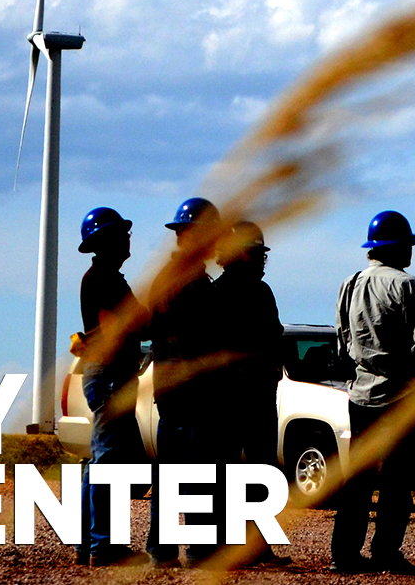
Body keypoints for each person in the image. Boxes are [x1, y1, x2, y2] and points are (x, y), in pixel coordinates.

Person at [330, 210, 415, 575]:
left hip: (360, 397)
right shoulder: (408, 286)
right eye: (409, 243)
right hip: (400, 397)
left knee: (356, 479)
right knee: (396, 482)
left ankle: (343, 553)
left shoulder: (351, 283)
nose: (412, 250)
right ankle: (386, 551)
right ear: (397, 246)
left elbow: (342, 343)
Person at [149, 197, 232, 568]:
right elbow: (203, 341)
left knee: (168, 475)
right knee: (199, 473)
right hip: (194, 391)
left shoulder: (162, 279)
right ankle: (199, 550)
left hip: (168, 390)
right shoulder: (194, 285)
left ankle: (162, 549)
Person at [212, 221, 292, 567]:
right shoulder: (221, 294)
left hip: (258, 394)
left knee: (260, 471)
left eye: (263, 254)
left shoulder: (262, 292)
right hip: (232, 396)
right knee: (230, 471)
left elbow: (275, 336)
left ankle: (255, 547)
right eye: (256, 253)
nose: (262, 260)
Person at [74, 207, 149, 567]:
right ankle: (103, 546)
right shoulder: (104, 280)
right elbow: (122, 325)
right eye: (122, 233)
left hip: (106, 374)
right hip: (109, 376)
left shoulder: (105, 278)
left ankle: (89, 542)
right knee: (108, 460)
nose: (128, 238)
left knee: (103, 458)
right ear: (107, 240)